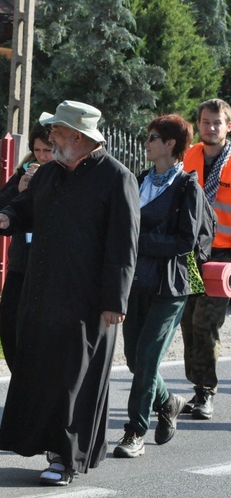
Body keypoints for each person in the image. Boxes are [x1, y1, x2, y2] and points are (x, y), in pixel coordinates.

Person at [0, 100, 139, 486]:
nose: (50, 136)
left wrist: (115, 302)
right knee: (41, 374)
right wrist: (8, 219)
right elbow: (25, 208)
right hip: (42, 293)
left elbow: (124, 248)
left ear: (80, 137)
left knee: (75, 380)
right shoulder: (49, 173)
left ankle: (66, 459)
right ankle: (49, 448)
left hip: (88, 303)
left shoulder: (116, 178)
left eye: (56, 130)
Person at [114, 114, 199, 459]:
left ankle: (134, 432)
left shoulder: (186, 187)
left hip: (172, 286)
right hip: (136, 282)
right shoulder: (138, 180)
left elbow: (185, 241)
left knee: (148, 358)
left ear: (170, 145)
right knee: (135, 359)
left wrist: (137, 240)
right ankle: (169, 402)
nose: (146, 142)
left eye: (153, 137)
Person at [179, 98, 231, 420]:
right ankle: (197, 386)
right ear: (198, 124)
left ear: (228, 126)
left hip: (223, 256)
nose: (211, 128)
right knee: (186, 318)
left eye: (217, 122)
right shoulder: (189, 156)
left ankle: (207, 391)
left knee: (205, 320)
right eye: (205, 122)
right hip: (193, 254)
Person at [0, 125, 52, 371]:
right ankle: (20, 379)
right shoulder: (25, 172)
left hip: (49, 267)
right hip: (20, 264)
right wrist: (20, 190)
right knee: (8, 325)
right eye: (37, 150)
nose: (42, 156)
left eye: (47, 150)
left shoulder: (65, 175)